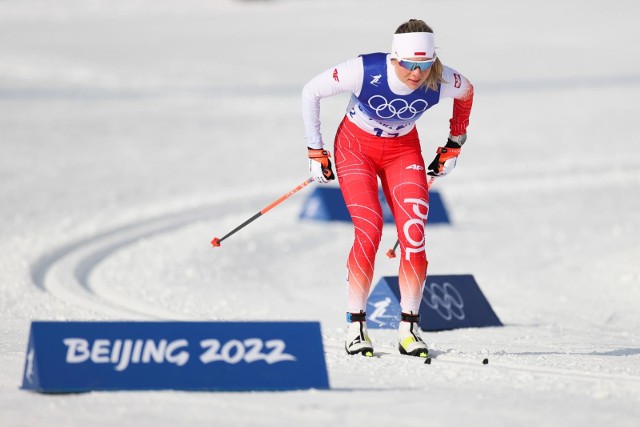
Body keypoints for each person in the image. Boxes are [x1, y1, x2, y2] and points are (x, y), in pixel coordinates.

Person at [302, 19, 474, 357]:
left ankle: (409, 329)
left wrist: (454, 142)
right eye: (409, 64)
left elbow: (467, 93)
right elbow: (311, 92)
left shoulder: (442, 77)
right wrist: (315, 150)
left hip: (402, 151)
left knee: (413, 233)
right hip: (356, 148)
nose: (416, 73)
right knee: (370, 229)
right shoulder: (364, 70)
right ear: (395, 57)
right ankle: (356, 326)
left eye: (424, 65)